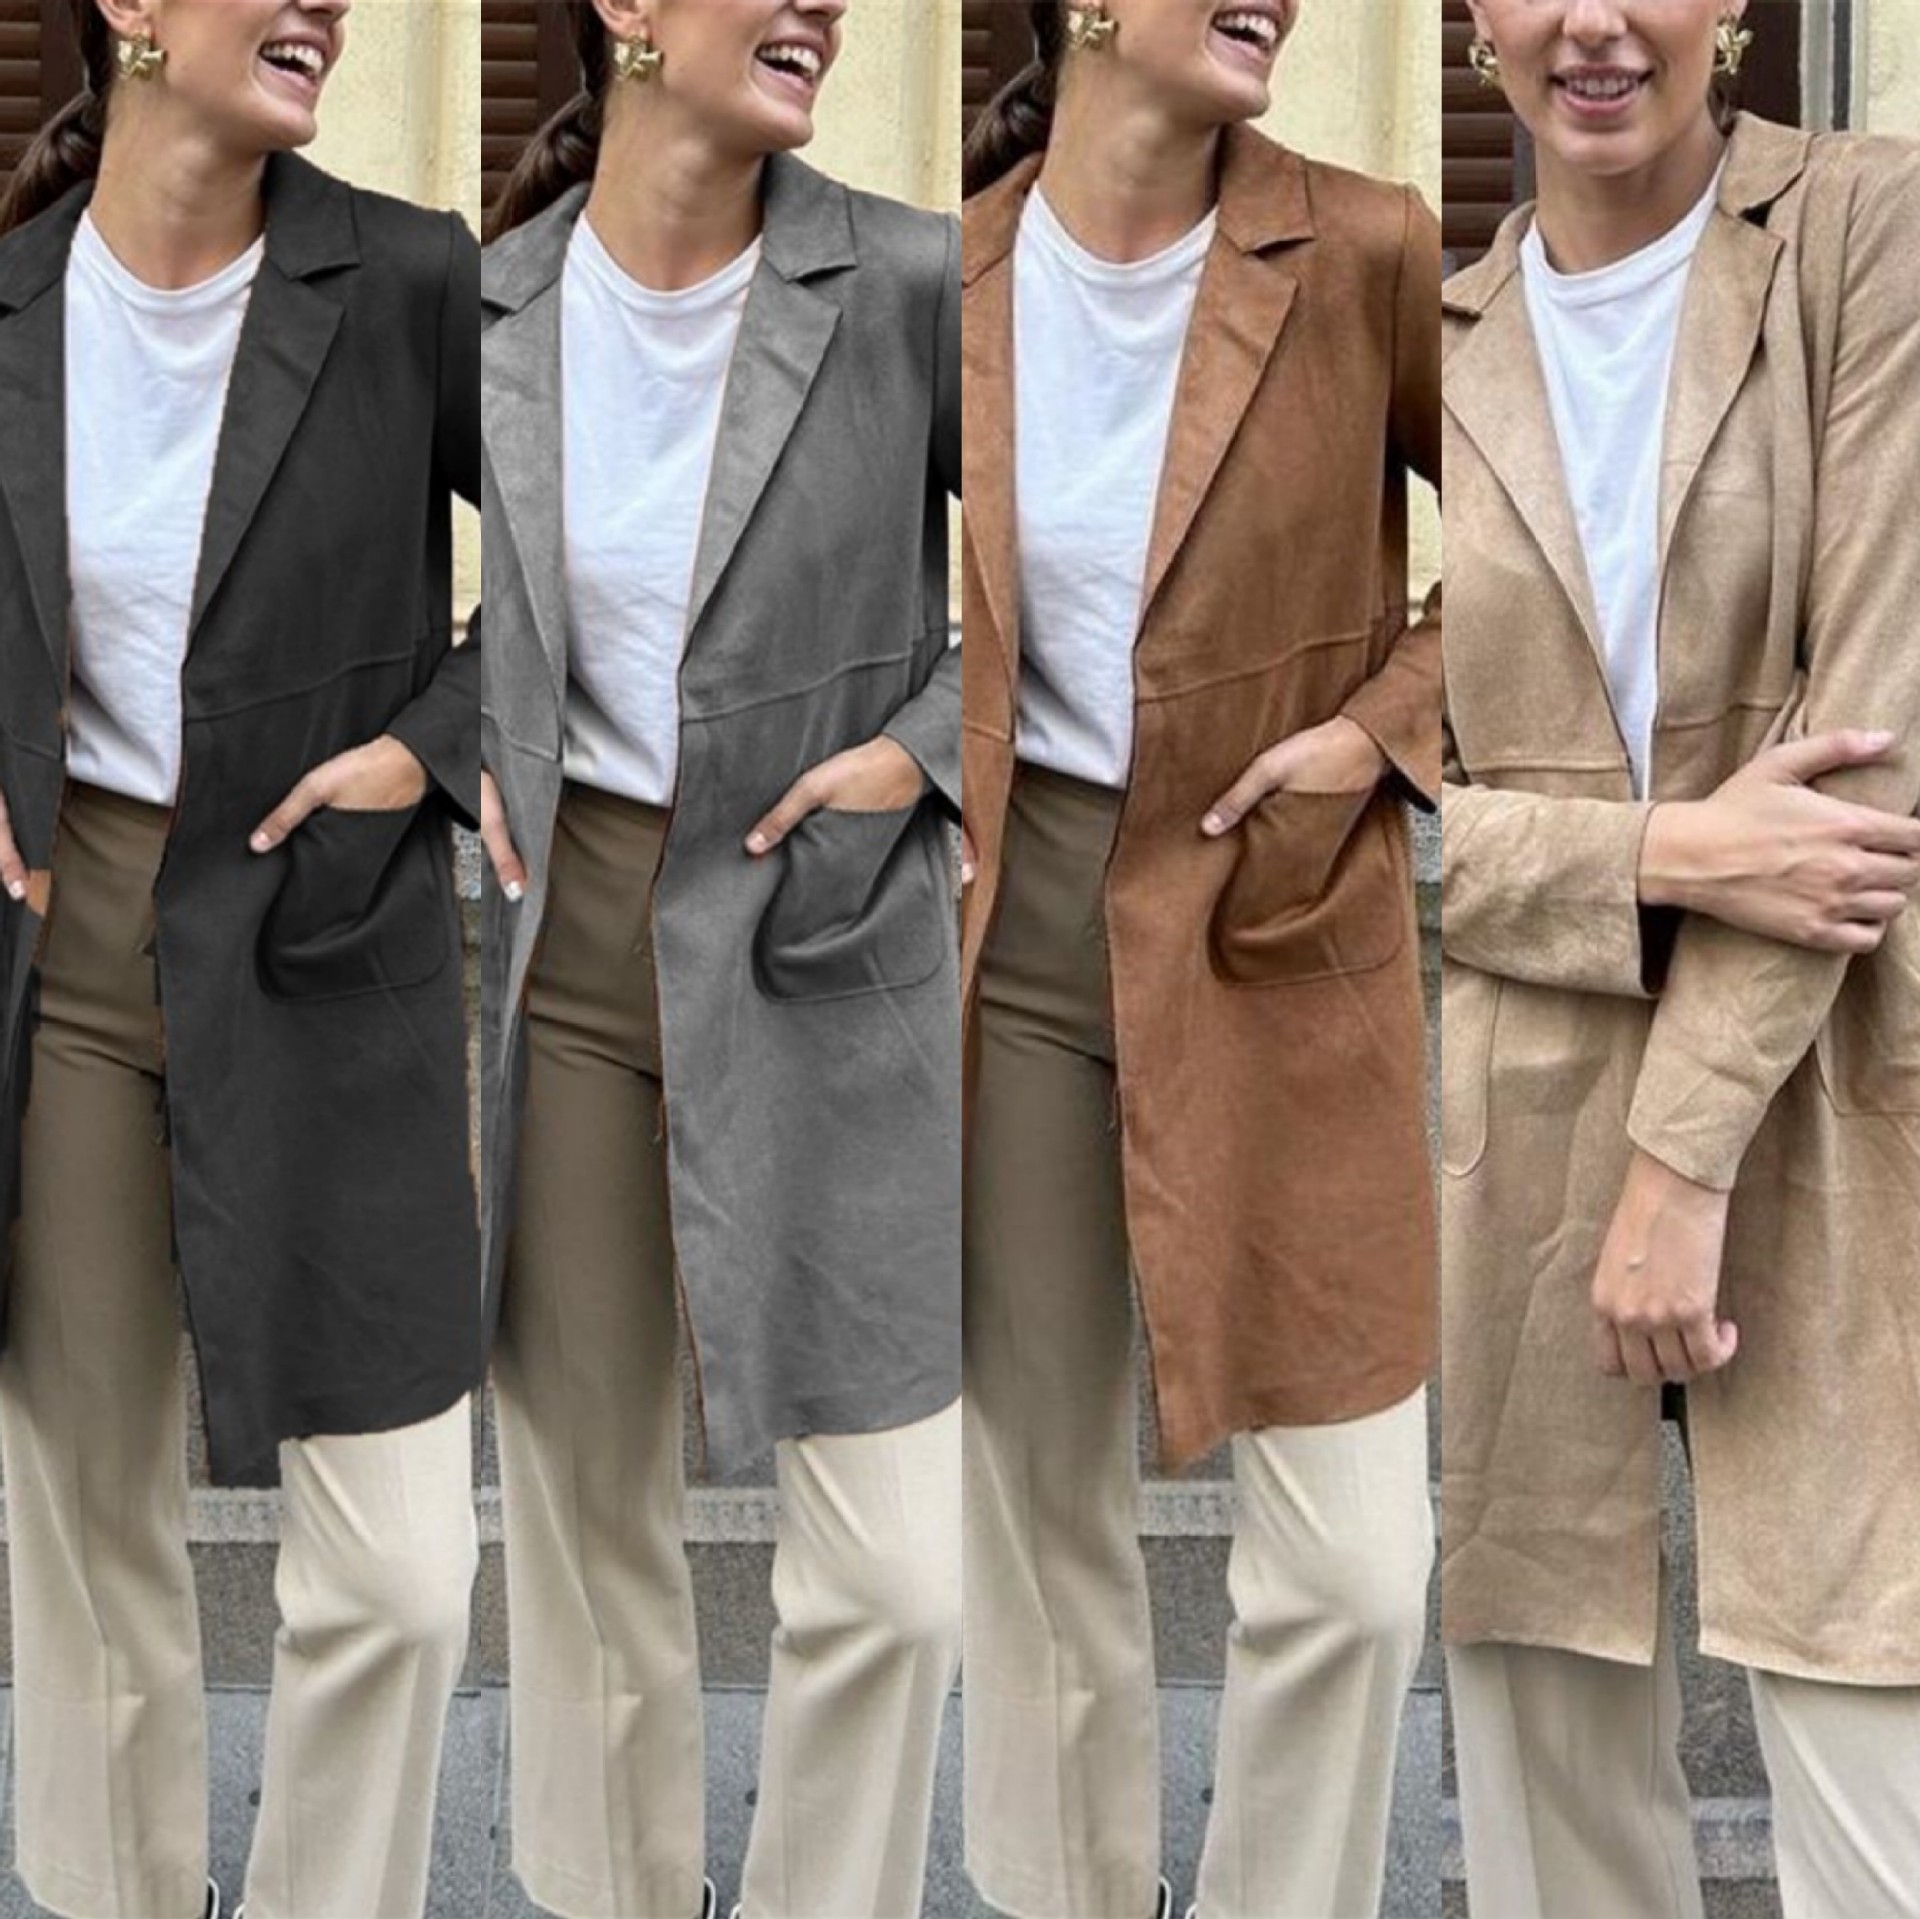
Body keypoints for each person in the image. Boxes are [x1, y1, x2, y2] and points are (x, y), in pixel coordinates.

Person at [477, 2, 962, 1915]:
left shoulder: (910, 280)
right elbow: (355, 596)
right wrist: (450, 738)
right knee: (592, 1529)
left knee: (898, 1572)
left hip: (827, 930)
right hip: (574, 940)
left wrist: (918, 754)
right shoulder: (489, 308)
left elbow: (1075, 586)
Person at [0, 2, 482, 1916]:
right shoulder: (13, 307)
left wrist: (426, 753)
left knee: (402, 1570)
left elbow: (586, 573)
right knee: (86, 1523)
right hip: (65, 955)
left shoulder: (410, 280)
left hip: (326, 932)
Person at [960, 4, 1441, 1915]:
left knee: (1354, 1565)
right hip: (1012, 931)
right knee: (1041, 1518)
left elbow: (1545, 547)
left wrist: (1375, 735)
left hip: (1282, 917)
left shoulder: (1367, 245)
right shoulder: (946, 276)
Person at [1442, 4, 1920, 1913]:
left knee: (1872, 1778)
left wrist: (1681, 1160)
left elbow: (1874, 747)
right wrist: (1662, 847)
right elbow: (1377, 807)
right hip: (1516, 1102)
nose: (1592, 23)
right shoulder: (1437, 331)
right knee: (1553, 1815)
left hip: (1840, 1082)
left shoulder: (1867, 231)